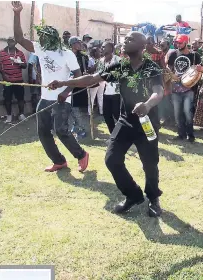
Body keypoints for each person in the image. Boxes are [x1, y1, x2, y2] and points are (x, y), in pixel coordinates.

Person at [48, 31, 165, 217]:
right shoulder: (121, 66)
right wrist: (63, 82)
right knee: (111, 159)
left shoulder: (152, 68)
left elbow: (158, 92)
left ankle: (153, 198)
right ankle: (133, 195)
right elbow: (92, 79)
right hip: (126, 120)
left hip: (146, 123)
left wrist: (148, 104)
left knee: (150, 163)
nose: (125, 41)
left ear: (142, 46)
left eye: (131, 39)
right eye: (125, 39)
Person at [11, 1, 89, 173]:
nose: (41, 39)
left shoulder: (67, 54)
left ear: (53, 37)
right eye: (41, 36)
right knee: (43, 132)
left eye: (45, 36)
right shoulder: (40, 49)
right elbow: (19, 39)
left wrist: (66, 92)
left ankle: (81, 154)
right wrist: (17, 14)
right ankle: (59, 161)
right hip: (45, 98)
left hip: (63, 98)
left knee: (61, 131)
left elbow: (78, 76)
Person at [167, 34, 202, 142]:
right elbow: (168, 67)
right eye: (177, 42)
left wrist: (200, 69)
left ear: (186, 42)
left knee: (187, 111)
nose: (178, 44)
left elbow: (201, 70)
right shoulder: (173, 53)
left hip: (189, 88)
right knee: (177, 113)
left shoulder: (194, 55)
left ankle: (190, 135)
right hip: (176, 88)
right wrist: (172, 75)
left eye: (180, 42)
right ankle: (180, 134)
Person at [0, 37, 27, 123]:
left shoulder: (20, 53)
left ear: (15, 43)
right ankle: (9, 116)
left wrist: (20, 63)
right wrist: (3, 75)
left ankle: (21, 114)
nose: (10, 43)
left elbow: (25, 66)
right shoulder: (2, 52)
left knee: (20, 98)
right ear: (7, 42)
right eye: (9, 41)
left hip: (19, 80)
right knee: (7, 98)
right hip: (7, 80)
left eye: (12, 42)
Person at [68, 36, 89, 139]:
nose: (80, 44)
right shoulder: (67, 55)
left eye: (81, 42)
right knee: (72, 108)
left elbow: (87, 69)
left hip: (80, 84)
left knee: (78, 107)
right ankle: (78, 127)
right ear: (72, 44)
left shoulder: (84, 57)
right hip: (70, 84)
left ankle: (80, 128)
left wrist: (86, 73)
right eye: (78, 42)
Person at [99, 42, 121, 133]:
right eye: (102, 47)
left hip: (117, 93)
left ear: (111, 49)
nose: (102, 48)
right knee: (106, 115)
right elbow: (98, 75)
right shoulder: (101, 61)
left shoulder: (118, 60)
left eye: (104, 47)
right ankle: (113, 135)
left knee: (117, 115)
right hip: (106, 92)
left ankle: (125, 135)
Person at [87, 46, 104, 116]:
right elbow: (89, 70)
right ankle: (90, 113)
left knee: (100, 96)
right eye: (99, 51)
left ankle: (101, 111)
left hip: (102, 80)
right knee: (91, 97)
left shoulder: (102, 59)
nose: (100, 53)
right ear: (94, 52)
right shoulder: (90, 60)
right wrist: (96, 64)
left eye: (100, 51)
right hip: (94, 80)